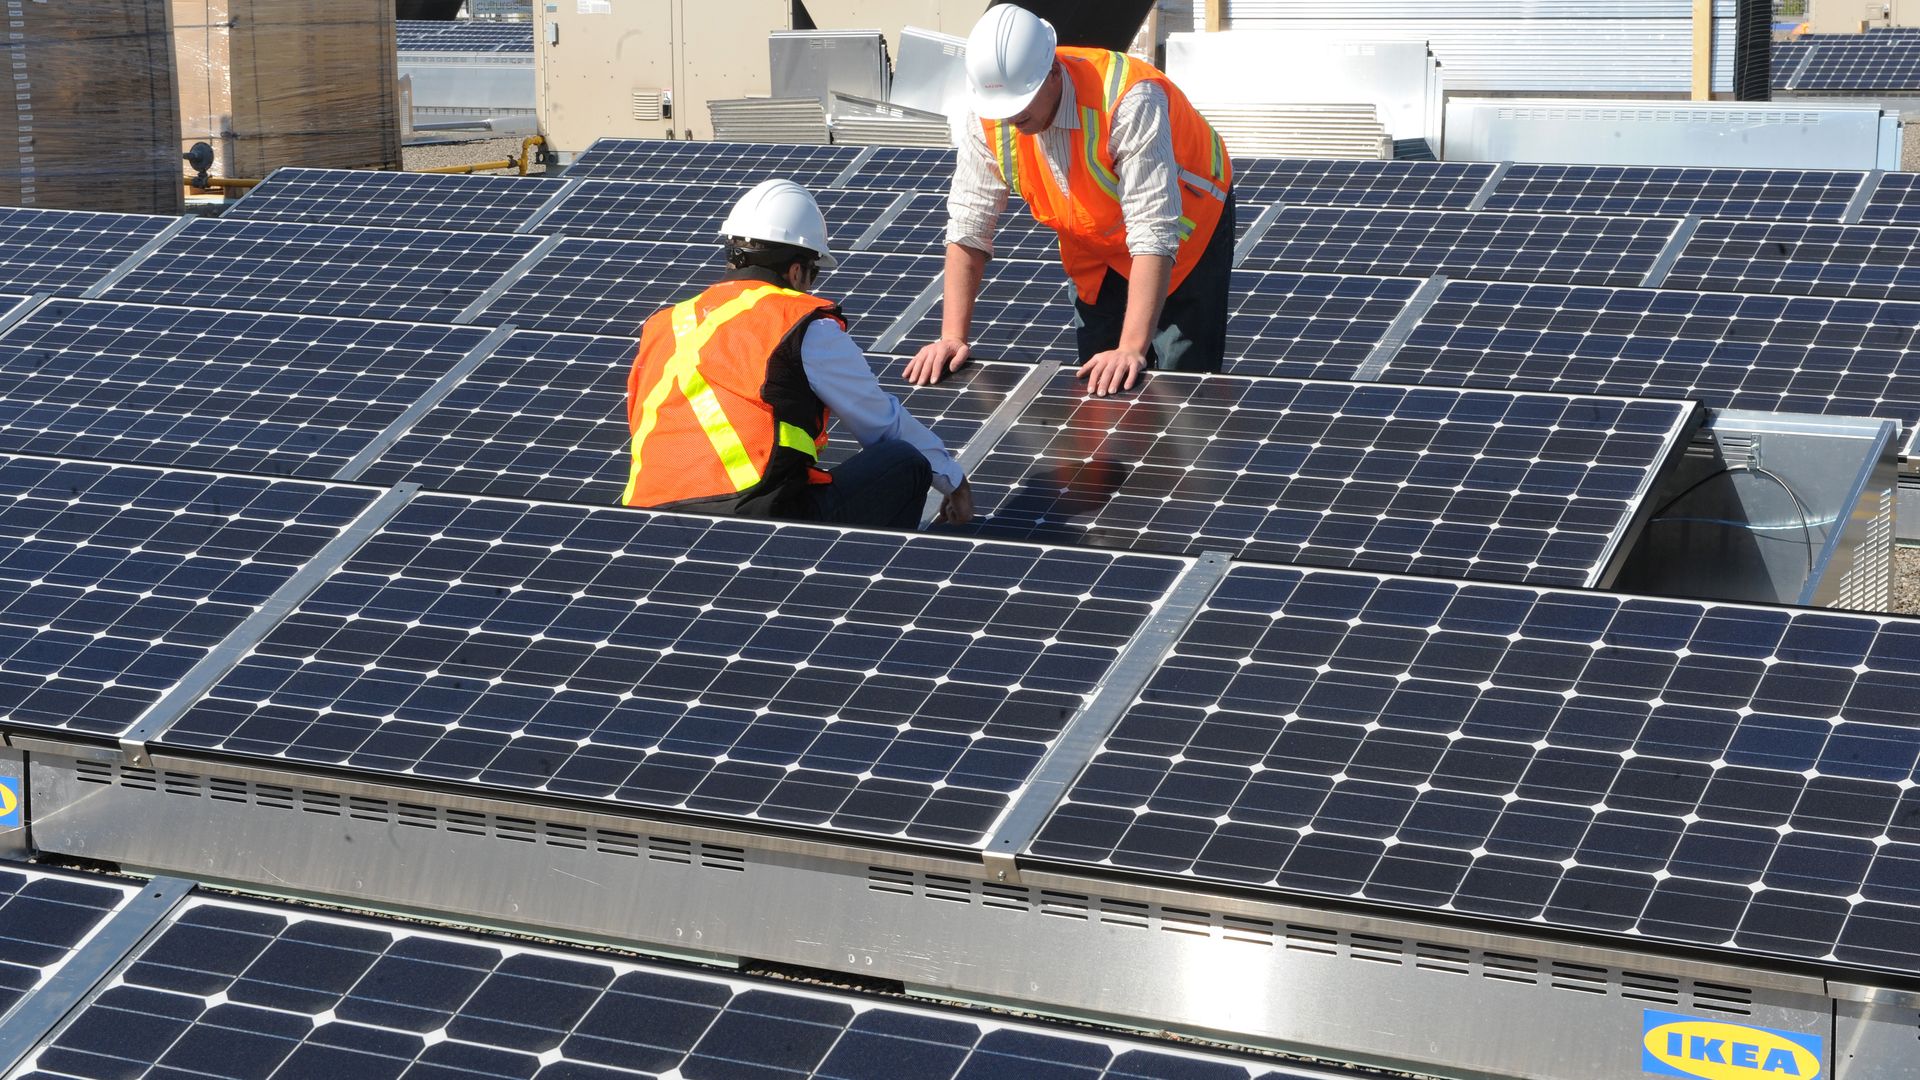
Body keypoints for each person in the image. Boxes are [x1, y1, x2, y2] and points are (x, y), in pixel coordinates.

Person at [903, 4, 1235, 398]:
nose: (1012, 119)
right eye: (1003, 109)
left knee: (1177, 383)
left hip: (1186, 228)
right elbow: (969, 226)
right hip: (1094, 242)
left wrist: (1131, 348)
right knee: (1100, 378)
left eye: (1021, 104)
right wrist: (951, 337)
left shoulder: (1128, 98)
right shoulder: (988, 114)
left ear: (1054, 73)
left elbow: (1153, 228)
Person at [621, 178, 972, 529]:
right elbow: (881, 423)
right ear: (795, 270)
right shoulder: (800, 324)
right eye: (813, 273)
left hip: (645, 522)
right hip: (753, 520)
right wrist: (954, 482)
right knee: (904, 462)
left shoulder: (663, 325)